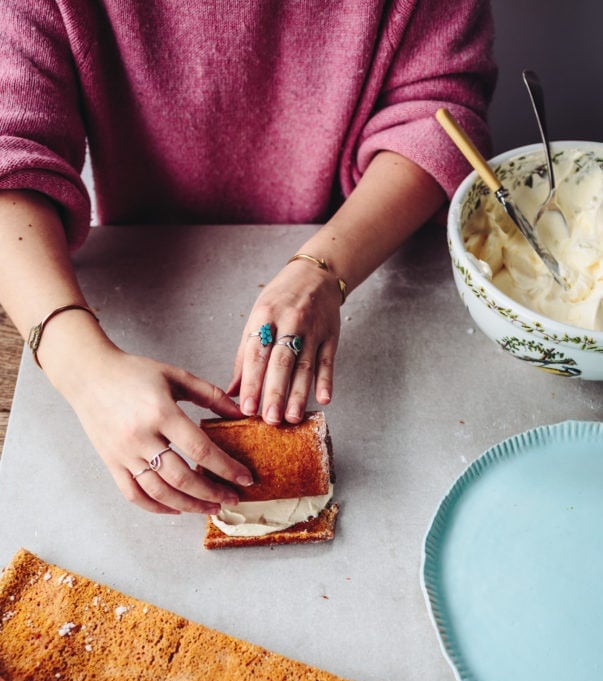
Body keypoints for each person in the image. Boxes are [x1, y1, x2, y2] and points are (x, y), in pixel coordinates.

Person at [0, 0, 496, 516]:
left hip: (367, 239)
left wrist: (322, 269)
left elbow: (439, 115)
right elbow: (9, 147)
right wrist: (83, 369)